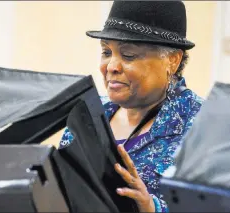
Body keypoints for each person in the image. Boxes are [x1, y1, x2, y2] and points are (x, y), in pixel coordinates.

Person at [59, 1, 202, 212]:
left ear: (172, 60)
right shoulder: (86, 113)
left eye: (128, 55)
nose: (111, 67)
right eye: (106, 52)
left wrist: (150, 207)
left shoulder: (202, 126)